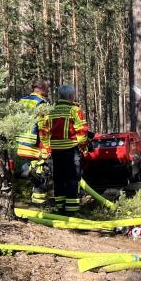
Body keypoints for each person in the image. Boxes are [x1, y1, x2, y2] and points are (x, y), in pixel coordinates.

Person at [46, 85, 88, 214]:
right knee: (72, 178)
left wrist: (47, 148)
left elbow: (44, 130)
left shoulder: (50, 110)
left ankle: (60, 207)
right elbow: (82, 131)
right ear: (70, 96)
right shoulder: (75, 110)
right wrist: (83, 146)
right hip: (70, 149)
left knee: (58, 178)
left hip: (55, 150)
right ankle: (71, 209)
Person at [15, 79, 52, 205]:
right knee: (40, 172)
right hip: (35, 145)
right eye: (47, 89)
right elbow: (44, 129)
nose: (48, 91)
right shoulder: (42, 104)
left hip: (21, 143)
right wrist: (47, 148)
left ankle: (15, 176)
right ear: (41, 89)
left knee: (31, 168)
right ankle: (39, 203)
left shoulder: (22, 101)